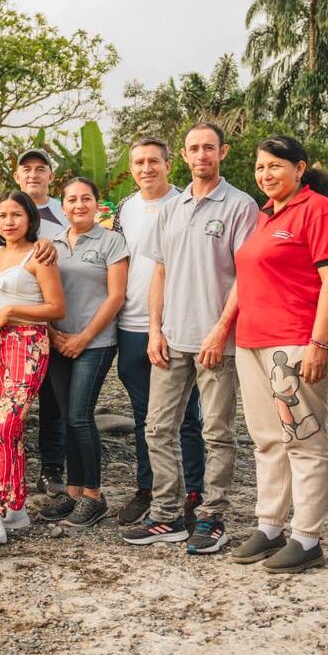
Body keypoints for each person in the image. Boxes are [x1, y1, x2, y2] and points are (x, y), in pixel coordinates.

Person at [122, 122, 258, 553]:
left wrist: (220, 330)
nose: (201, 155)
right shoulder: (172, 207)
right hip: (171, 338)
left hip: (215, 340)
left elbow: (245, 276)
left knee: (215, 431)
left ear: (223, 152)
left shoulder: (240, 206)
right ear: (183, 155)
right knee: (157, 427)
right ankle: (166, 514)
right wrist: (154, 330)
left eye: (209, 148)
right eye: (194, 149)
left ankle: (211, 516)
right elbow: (159, 272)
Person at [228, 136, 328, 574]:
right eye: (260, 168)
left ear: (300, 168)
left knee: (304, 439)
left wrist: (318, 344)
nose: (266, 175)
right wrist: (224, 327)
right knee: (266, 438)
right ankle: (271, 525)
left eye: (275, 166)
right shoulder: (265, 215)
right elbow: (246, 280)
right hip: (253, 341)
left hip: (295, 342)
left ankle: (307, 536)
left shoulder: (319, 210)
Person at [113, 138, 207, 527]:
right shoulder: (125, 208)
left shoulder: (186, 205)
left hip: (176, 325)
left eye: (154, 161)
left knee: (185, 416)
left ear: (170, 164)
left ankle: (193, 492)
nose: (146, 168)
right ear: (131, 168)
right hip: (131, 324)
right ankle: (148, 488)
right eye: (139, 162)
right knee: (144, 417)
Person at [0, 191, 65, 545]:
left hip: (28, 343)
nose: (8, 221)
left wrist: (10, 312)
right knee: (8, 431)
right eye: (2, 216)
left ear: (29, 218)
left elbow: (57, 307)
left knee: (3, 425)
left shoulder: (40, 255)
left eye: (16, 215)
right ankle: (17, 508)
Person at [43, 177, 128, 528]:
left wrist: (83, 337)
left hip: (95, 342)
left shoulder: (112, 242)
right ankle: (75, 491)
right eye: (72, 200)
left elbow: (115, 297)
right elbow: (38, 290)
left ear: (97, 204)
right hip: (57, 340)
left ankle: (94, 495)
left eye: (86, 199)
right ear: (62, 207)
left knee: (80, 416)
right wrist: (53, 334)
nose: (79, 205)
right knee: (65, 417)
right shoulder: (50, 245)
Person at [14, 146, 70, 501]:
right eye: (26, 169)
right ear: (16, 176)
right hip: (13, 327)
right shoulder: (3, 213)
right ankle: (9, 469)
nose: (33, 174)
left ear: (51, 176)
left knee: (54, 401)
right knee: (11, 405)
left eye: (40, 168)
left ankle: (51, 468)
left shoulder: (66, 218)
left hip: (54, 324)